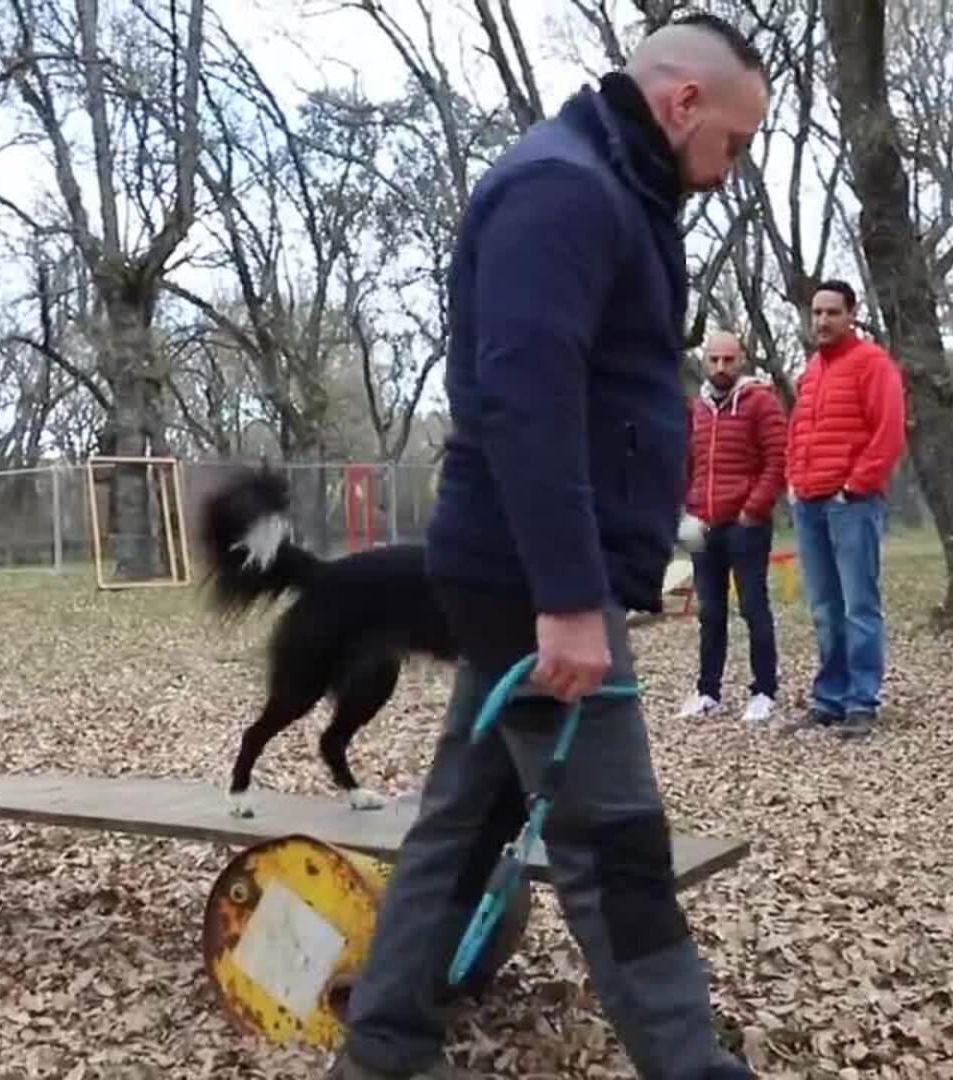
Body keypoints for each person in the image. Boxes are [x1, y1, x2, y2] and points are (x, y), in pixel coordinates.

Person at [327, 14, 769, 1080]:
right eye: (733, 145)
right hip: (530, 580)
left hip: (526, 574)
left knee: (461, 826)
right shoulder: (564, 189)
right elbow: (526, 399)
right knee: (616, 843)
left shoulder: (614, 185)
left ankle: (382, 1050)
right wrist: (571, 598)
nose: (727, 172)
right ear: (682, 104)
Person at [782, 280, 907, 739]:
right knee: (823, 608)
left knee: (859, 605)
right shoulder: (812, 371)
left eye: (832, 312)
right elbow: (798, 432)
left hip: (850, 504)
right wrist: (793, 481)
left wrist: (856, 486)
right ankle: (829, 699)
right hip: (810, 503)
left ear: (851, 314)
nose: (822, 321)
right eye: (816, 312)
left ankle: (861, 702)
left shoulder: (873, 364)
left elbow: (889, 431)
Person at [676, 329, 787, 726]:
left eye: (728, 359)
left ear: (742, 360)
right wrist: (688, 509)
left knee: (753, 608)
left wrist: (753, 509)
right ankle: (708, 691)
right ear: (704, 362)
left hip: (746, 524)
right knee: (710, 612)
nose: (721, 367)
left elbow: (778, 460)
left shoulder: (761, 402)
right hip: (704, 525)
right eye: (714, 360)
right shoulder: (698, 408)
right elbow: (689, 463)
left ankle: (764, 691)